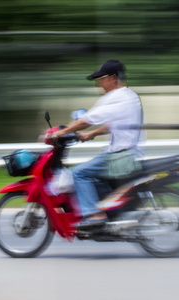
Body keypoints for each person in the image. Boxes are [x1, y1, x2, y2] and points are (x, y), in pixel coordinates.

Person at [50, 60, 145, 229]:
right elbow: (115, 124)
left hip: (120, 156)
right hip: (127, 154)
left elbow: (88, 119)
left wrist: (61, 132)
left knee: (78, 174)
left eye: (101, 79)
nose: (99, 84)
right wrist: (92, 133)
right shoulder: (129, 96)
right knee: (92, 177)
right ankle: (111, 211)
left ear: (113, 78)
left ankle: (95, 215)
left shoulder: (116, 97)